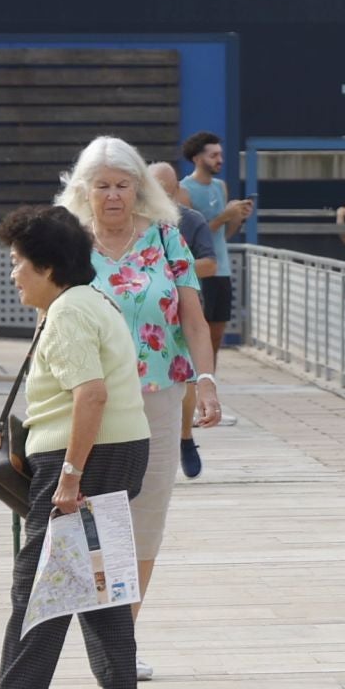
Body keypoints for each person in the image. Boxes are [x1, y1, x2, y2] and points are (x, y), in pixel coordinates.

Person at [0, 206, 156, 689]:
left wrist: (70, 474)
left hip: (83, 456)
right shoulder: (91, 301)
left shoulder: (67, 312)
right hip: (117, 450)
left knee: (41, 576)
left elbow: (90, 394)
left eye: (18, 263)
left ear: (47, 267)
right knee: (95, 580)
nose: (12, 273)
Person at [61, 137, 222, 682]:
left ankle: (121, 640)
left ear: (139, 189)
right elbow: (47, 323)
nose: (112, 195)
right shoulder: (67, 245)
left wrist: (206, 382)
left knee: (143, 520)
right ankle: (95, 633)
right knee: (88, 518)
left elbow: (195, 322)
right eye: (101, 185)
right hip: (85, 401)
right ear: (83, 190)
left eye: (122, 184)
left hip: (156, 399)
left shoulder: (167, 239)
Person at [146, 162, 219, 480]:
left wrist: (171, 268)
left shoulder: (190, 220)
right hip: (146, 314)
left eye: (167, 187)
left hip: (182, 307)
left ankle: (185, 438)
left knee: (186, 380)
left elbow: (210, 264)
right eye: (154, 186)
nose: (160, 193)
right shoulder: (134, 222)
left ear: (176, 189)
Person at [180, 131, 252, 414]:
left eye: (220, 155)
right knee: (196, 333)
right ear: (198, 158)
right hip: (198, 272)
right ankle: (190, 392)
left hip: (221, 270)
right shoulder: (184, 190)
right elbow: (194, 236)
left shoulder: (220, 187)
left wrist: (237, 218)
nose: (219, 159)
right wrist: (223, 216)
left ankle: (209, 391)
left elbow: (224, 233)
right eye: (213, 155)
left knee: (217, 334)